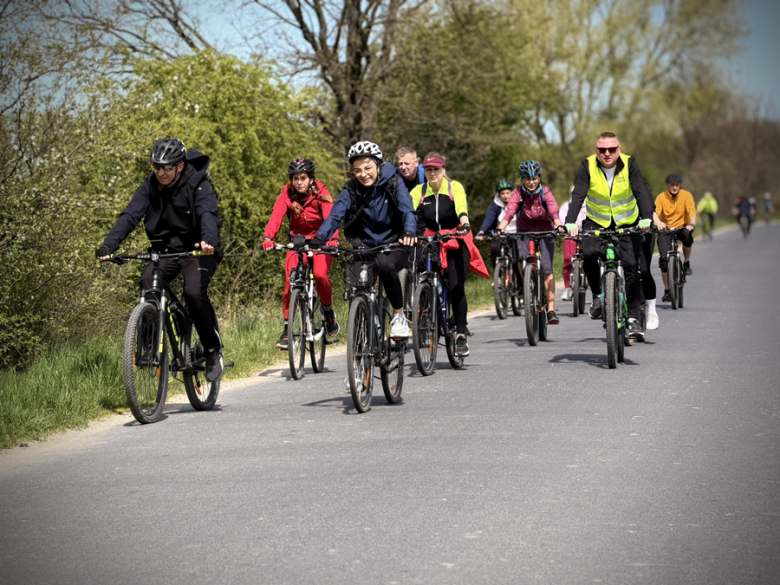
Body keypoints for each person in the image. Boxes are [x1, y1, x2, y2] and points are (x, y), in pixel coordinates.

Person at [96, 137, 224, 381]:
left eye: (167, 167)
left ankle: (211, 350)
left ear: (180, 166)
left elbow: (208, 212)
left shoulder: (198, 183)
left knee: (193, 293)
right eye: (156, 167)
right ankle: (149, 347)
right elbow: (130, 215)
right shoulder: (150, 185)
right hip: (164, 250)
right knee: (148, 286)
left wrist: (209, 240)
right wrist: (109, 245)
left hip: (198, 250)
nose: (161, 172)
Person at [313, 141, 417, 339]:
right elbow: (335, 215)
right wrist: (320, 237)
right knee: (357, 286)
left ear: (378, 165)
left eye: (368, 168)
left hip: (395, 243)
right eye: (357, 170)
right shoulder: (352, 189)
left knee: (386, 265)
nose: (363, 174)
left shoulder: (393, 181)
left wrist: (410, 232)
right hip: (364, 245)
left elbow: (407, 210)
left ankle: (399, 316)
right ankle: (369, 319)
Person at [564, 132, 654, 340]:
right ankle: (597, 295)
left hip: (627, 222)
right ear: (596, 150)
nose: (607, 154)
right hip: (597, 221)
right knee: (587, 253)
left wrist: (647, 217)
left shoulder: (630, 163)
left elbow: (640, 191)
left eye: (611, 149)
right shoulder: (587, 166)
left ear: (619, 149)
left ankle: (633, 317)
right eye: (602, 150)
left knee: (632, 266)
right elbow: (578, 194)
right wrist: (570, 221)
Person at [411, 153, 488, 357]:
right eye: (428, 169)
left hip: (455, 238)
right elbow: (407, 213)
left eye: (436, 169)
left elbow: (461, 208)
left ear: (443, 169)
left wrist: (464, 223)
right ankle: (427, 309)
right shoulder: (419, 191)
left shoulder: (455, 188)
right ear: (424, 171)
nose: (432, 173)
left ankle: (461, 335)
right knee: (420, 273)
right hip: (430, 240)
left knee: (456, 287)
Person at [263, 158, 339, 350]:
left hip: (321, 241)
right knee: (290, 283)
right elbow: (276, 215)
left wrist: (332, 239)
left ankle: (328, 313)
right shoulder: (286, 193)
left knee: (320, 274)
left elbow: (331, 218)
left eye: (303, 178)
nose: (299, 182)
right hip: (297, 241)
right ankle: (287, 330)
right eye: (295, 178)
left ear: (311, 179)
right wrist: (268, 238)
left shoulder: (321, 192)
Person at [496, 160, 565, 324]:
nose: (531, 182)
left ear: (539, 178)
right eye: (527, 179)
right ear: (522, 180)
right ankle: (526, 283)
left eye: (534, 178)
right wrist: (500, 228)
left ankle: (551, 310)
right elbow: (510, 211)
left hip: (546, 231)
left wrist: (559, 225)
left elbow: (553, 210)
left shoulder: (545, 192)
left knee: (547, 269)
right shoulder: (518, 193)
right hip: (525, 231)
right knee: (521, 259)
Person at [655, 173, 695, 301]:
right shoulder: (661, 197)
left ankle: (686, 262)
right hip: (666, 229)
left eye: (677, 185)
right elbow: (656, 212)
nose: (674, 188)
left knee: (688, 236)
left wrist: (692, 224)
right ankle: (667, 290)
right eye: (672, 185)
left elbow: (691, 210)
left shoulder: (686, 195)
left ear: (680, 185)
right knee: (663, 259)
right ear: (668, 185)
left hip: (682, 227)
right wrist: (658, 223)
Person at [476, 178, 517, 268]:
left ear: (512, 193)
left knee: (518, 257)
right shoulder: (495, 205)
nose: (506, 196)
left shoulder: (518, 202)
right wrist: (482, 231)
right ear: (499, 195)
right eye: (502, 193)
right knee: (495, 249)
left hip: (517, 233)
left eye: (508, 193)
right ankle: (498, 277)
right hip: (500, 234)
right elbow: (489, 218)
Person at [558, 186, 586, 302]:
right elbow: (560, 220)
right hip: (571, 236)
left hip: (585, 235)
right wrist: (561, 228)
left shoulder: (589, 206)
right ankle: (568, 288)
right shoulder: (566, 206)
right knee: (567, 260)